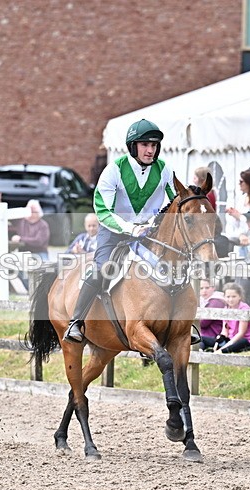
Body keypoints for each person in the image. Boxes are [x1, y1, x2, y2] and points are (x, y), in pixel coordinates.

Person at [64, 118, 176, 343]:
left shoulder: (164, 170)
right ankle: (76, 322)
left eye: (154, 146)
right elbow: (103, 211)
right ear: (133, 146)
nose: (150, 150)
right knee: (102, 267)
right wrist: (131, 228)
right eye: (145, 145)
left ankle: (182, 325)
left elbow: (176, 203)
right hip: (113, 230)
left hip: (148, 232)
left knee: (175, 265)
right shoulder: (113, 170)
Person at [200, 282, 250, 354]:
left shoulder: (244, 309)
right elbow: (224, 331)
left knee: (241, 342)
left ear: (239, 296)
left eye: (234, 296)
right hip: (230, 338)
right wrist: (218, 342)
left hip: (244, 339)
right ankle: (200, 351)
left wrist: (226, 346)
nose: (230, 299)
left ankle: (220, 351)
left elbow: (241, 333)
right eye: (228, 297)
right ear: (224, 297)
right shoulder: (226, 309)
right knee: (201, 338)